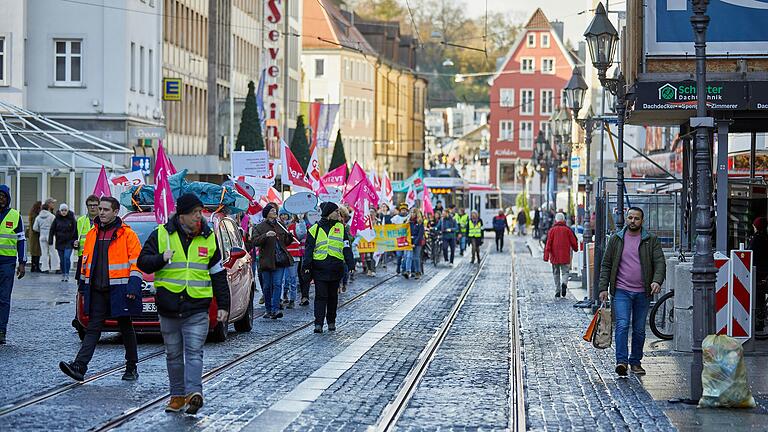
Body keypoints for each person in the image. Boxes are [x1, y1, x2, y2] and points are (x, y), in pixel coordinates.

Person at [136, 193, 230, 414]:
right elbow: (143, 263)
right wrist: (161, 258)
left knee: (195, 352)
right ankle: (177, 397)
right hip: (169, 307)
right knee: (174, 355)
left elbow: (218, 274)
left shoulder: (208, 237)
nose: (199, 216)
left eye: (200, 212)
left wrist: (224, 305)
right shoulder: (161, 234)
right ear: (182, 215)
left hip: (197, 306)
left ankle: (194, 393)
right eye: (195, 212)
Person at [59, 196, 141, 382]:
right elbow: (85, 262)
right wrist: (83, 286)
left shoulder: (127, 234)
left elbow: (136, 262)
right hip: (96, 290)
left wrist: (133, 286)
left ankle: (131, 367)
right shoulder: (92, 233)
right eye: (100, 209)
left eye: (105, 209)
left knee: (126, 327)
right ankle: (79, 366)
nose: (101, 212)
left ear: (115, 212)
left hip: (119, 289)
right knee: (93, 328)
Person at [598, 207, 666, 377]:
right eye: (630, 218)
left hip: (643, 292)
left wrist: (657, 281)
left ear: (642, 221)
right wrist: (602, 288)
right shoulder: (616, 239)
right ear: (626, 219)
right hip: (621, 291)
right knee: (621, 325)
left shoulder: (651, 240)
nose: (632, 221)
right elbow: (606, 264)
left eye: (636, 218)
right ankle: (621, 362)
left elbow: (659, 263)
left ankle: (635, 362)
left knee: (639, 329)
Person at [303, 202, 355, 333]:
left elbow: (346, 246)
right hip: (320, 268)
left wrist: (350, 263)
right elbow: (308, 250)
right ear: (329, 213)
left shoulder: (341, 228)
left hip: (336, 268)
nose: (339, 214)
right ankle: (318, 324)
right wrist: (306, 267)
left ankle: (331, 321)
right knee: (321, 296)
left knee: (333, 297)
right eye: (336, 212)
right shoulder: (315, 229)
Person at [251, 203, 293, 319]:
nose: (275, 212)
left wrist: (289, 236)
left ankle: (275, 310)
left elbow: (286, 242)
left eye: (275, 211)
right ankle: (268, 309)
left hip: (280, 261)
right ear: (267, 213)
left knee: (278, 284)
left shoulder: (280, 225)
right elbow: (254, 241)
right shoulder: (259, 227)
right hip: (266, 261)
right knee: (267, 286)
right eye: (272, 211)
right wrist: (266, 235)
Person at [0, 185, 26, 344]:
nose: (1, 198)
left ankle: (1, 330)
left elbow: (22, 240)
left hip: (7, 264)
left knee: (3, 298)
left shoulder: (15, 216)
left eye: (3, 196)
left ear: (7, 198)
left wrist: (22, 262)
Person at [543, 213, 578, 298]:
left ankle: (557, 290)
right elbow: (573, 241)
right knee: (565, 272)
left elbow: (548, 244)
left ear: (555, 220)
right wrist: (575, 248)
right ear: (563, 220)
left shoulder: (552, 230)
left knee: (556, 273)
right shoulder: (567, 230)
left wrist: (546, 256)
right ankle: (564, 284)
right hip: (565, 255)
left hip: (554, 256)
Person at [279, 209, 304, 309]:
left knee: (293, 278)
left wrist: (301, 221)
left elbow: (301, 234)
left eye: (286, 215)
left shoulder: (295, 225)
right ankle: (283, 296)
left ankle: (292, 300)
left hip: (294, 256)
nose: (284, 217)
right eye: (282, 215)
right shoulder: (278, 226)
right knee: (284, 279)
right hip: (283, 256)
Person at [75, 195, 100, 284]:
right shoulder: (80, 220)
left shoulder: (103, 221)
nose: (92, 207)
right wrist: (74, 243)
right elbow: (74, 237)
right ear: (87, 207)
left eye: (95, 205)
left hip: (97, 258)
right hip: (83, 258)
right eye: (90, 205)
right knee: (81, 285)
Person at [49, 203, 77, 282]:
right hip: (60, 242)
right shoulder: (56, 219)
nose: (64, 212)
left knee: (66, 257)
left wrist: (75, 240)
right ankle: (63, 273)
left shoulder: (72, 219)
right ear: (60, 211)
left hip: (69, 241)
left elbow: (75, 230)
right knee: (62, 260)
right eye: (62, 210)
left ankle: (67, 274)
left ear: (68, 211)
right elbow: (52, 230)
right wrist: (50, 240)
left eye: (65, 210)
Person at [749, 217, 768, 330]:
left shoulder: (756, 239)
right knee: (760, 297)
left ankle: (757, 322)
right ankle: (760, 322)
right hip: (764, 272)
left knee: (756, 297)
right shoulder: (766, 238)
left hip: (756, 272)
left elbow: (751, 254)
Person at [33, 198, 58, 273]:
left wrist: (41, 230)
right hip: (50, 236)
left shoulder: (38, 217)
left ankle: (45, 268)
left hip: (42, 236)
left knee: (44, 253)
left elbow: (35, 228)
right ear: (48, 208)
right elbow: (55, 226)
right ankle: (55, 267)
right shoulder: (52, 216)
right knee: (53, 252)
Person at [404, 209, 425, 279]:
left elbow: (420, 235)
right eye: (411, 213)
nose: (412, 214)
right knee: (408, 256)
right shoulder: (408, 222)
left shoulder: (420, 223)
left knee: (416, 257)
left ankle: (417, 272)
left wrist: (415, 243)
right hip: (409, 241)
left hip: (417, 242)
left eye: (414, 213)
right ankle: (407, 271)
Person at [27, 201, 42, 273]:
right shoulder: (35, 215)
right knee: (36, 252)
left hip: (33, 235)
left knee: (34, 252)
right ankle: (35, 266)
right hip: (35, 235)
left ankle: (34, 266)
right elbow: (34, 226)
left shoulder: (32, 214)